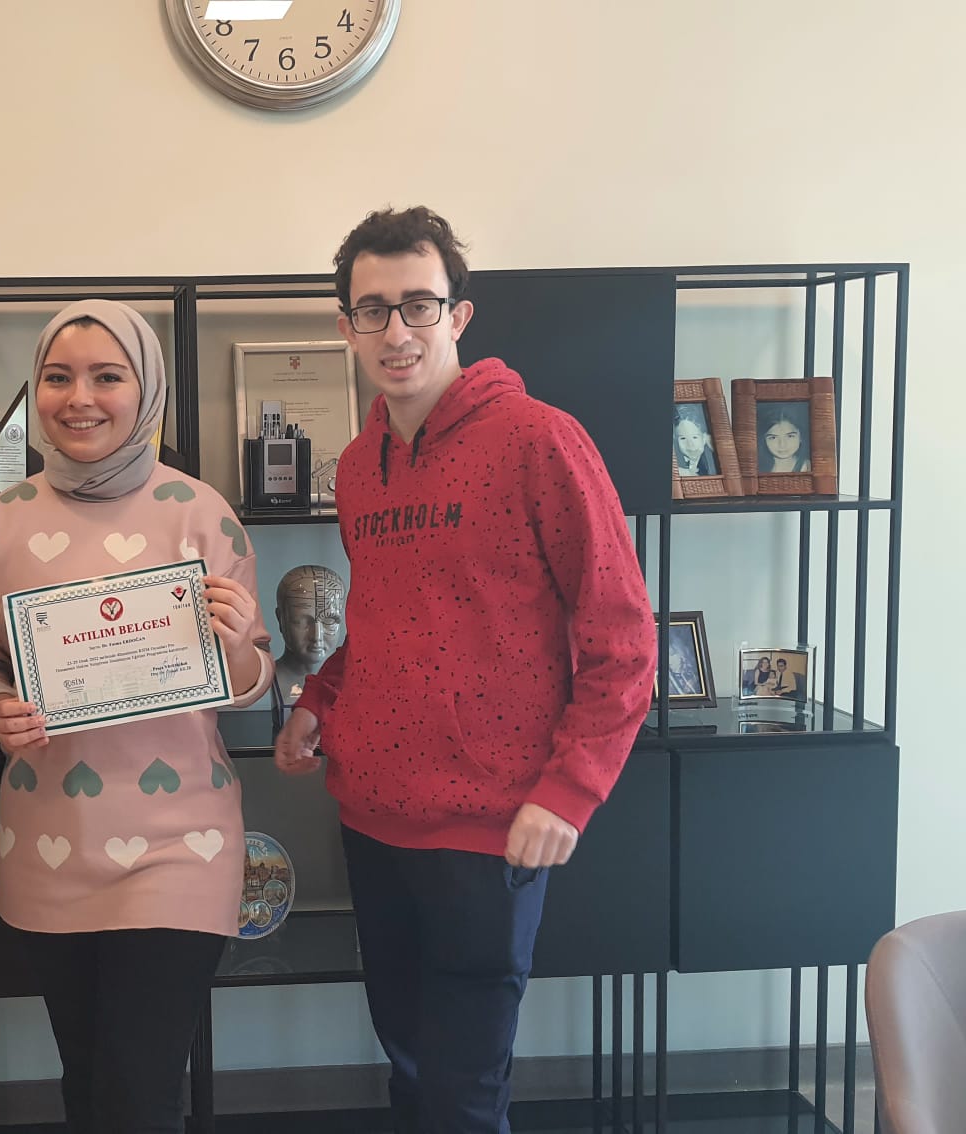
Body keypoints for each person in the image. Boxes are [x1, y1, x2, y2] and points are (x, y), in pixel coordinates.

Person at [272, 207, 655, 1133]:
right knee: (407, 1065)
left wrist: (570, 792)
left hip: (492, 826)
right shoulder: (358, 467)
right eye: (372, 310)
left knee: (463, 1091)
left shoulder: (539, 440)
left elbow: (622, 636)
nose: (396, 331)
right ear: (346, 326)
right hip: (372, 814)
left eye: (418, 305)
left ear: (458, 316)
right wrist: (319, 699)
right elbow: (385, 618)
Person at [0, 300, 273, 1133]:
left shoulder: (201, 512)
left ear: (146, 389)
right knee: (88, 1079)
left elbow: (251, 683)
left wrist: (239, 644)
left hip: (181, 845)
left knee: (139, 1092)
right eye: (58, 377)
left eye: (107, 376)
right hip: (48, 844)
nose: (80, 398)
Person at [271, 564, 347, 708]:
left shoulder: (352, 684)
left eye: (329, 621)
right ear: (281, 619)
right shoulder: (262, 682)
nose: (317, 636)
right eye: (302, 622)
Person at [759, 404, 811, 473]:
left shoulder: (809, 467)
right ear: (764, 439)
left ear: (800, 436)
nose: (782, 445)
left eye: (790, 436)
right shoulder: (757, 468)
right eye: (773, 438)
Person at [672, 405, 719, 477]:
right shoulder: (677, 467)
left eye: (695, 437)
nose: (690, 444)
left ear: (704, 438)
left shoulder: (711, 461)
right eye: (683, 438)